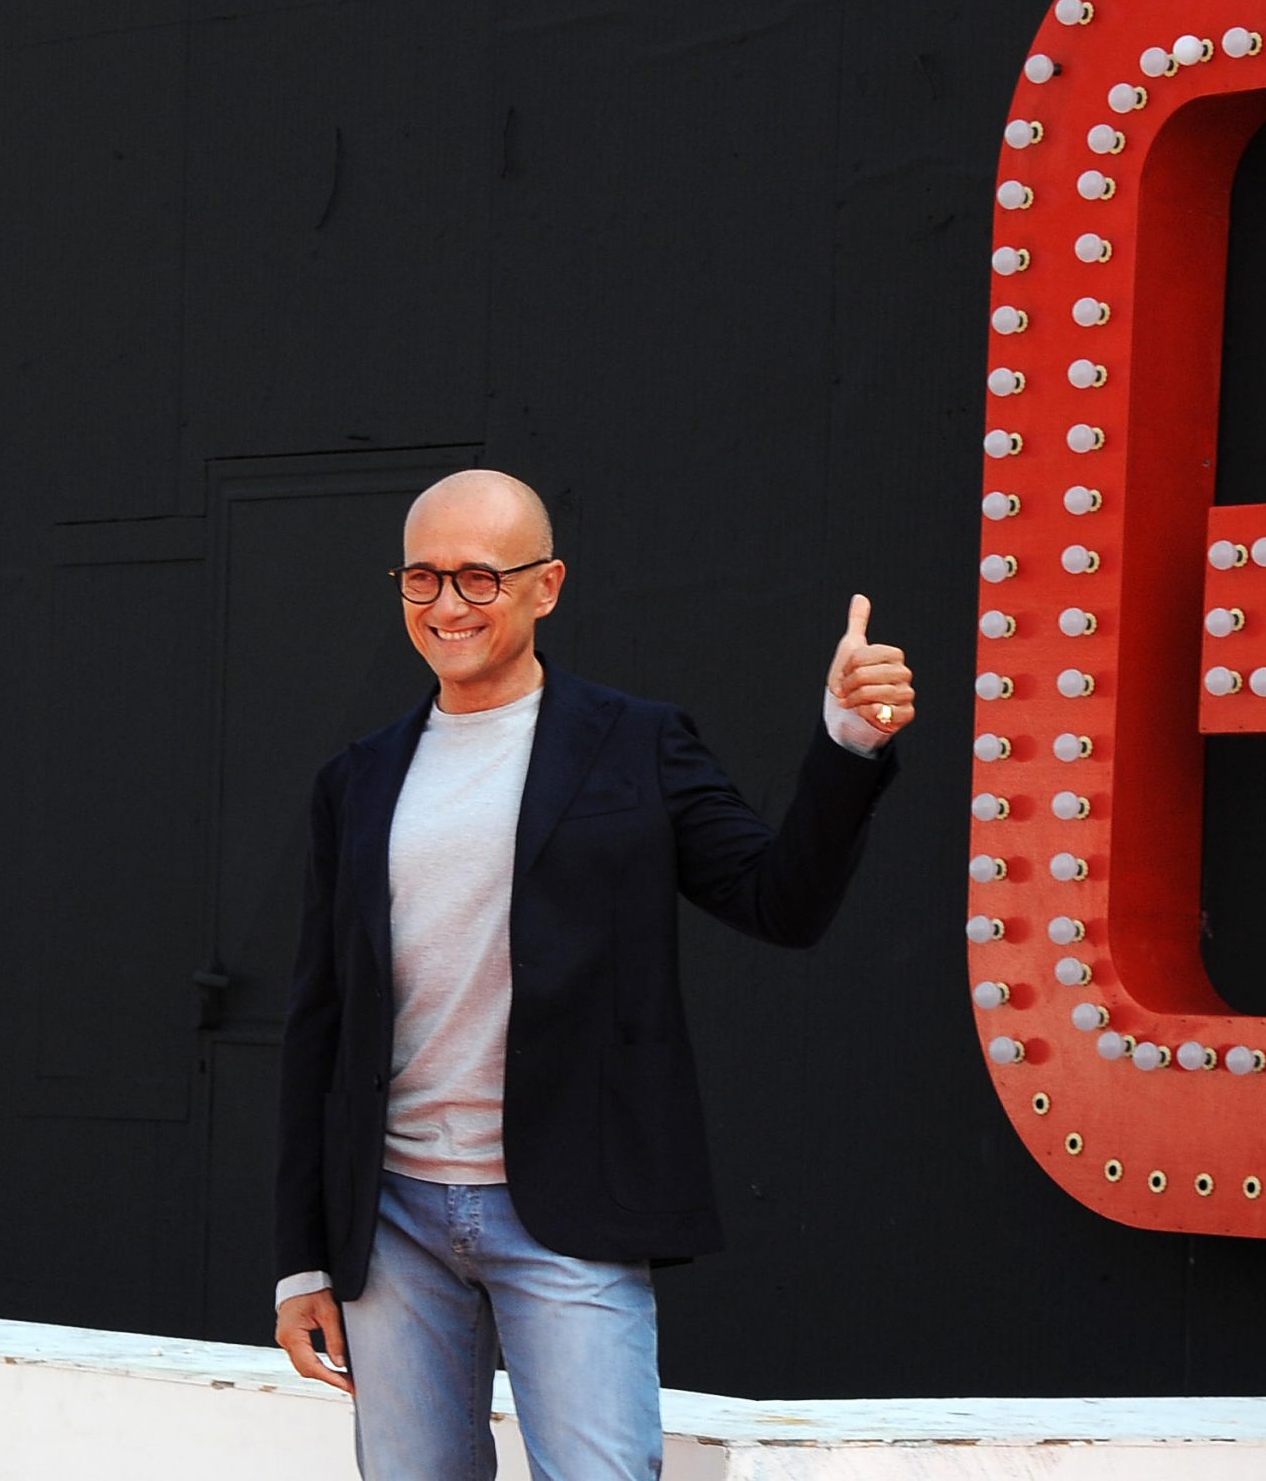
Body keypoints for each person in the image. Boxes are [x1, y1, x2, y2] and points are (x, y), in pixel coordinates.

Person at [270, 468, 912, 1479]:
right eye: (422, 577)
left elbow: (779, 901)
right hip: (389, 1217)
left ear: (547, 585)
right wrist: (301, 1259)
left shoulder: (637, 743)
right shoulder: (356, 777)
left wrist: (848, 740)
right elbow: (321, 1020)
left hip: (571, 1204)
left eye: (480, 577)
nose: (447, 604)